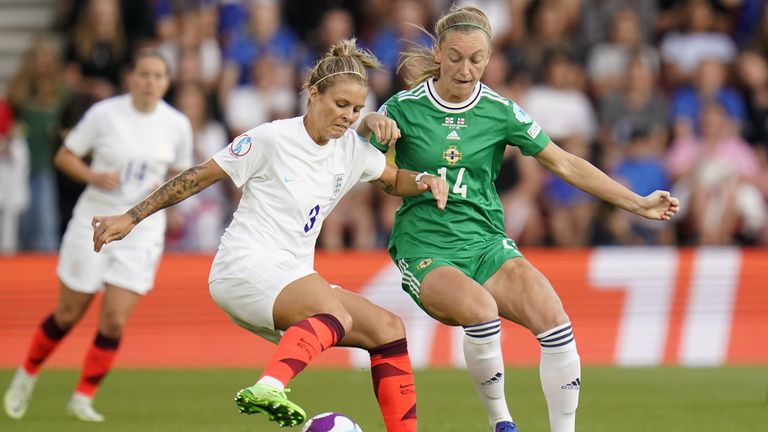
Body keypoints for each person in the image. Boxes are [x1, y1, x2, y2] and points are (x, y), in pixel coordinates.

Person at [89, 39, 448, 431]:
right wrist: (132, 216)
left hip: (288, 275)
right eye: (340, 105)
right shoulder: (271, 139)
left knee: (388, 329)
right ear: (314, 94)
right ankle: (269, 386)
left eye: (357, 109)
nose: (349, 117)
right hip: (243, 267)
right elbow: (197, 178)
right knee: (334, 313)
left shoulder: (351, 151)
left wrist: (426, 180)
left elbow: (393, 179)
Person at [359, 6, 680, 432]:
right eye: (455, 57)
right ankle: (502, 423)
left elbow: (564, 163)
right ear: (438, 53)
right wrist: (371, 124)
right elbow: (380, 177)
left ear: (489, 58)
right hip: (426, 245)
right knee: (482, 311)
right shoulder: (404, 107)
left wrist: (636, 203)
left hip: (487, 242)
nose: (466, 68)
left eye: (477, 59)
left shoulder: (500, 111)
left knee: (555, 319)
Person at [3, 49, 194, 422]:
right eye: (144, 74)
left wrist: (165, 201)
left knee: (115, 321)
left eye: (158, 76)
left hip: (141, 229)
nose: (150, 82)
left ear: (167, 82)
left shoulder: (176, 124)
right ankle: (26, 374)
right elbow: (65, 155)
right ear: (130, 77)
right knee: (69, 312)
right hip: (95, 219)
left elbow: (184, 176)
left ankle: (83, 396)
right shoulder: (105, 114)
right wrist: (94, 176)